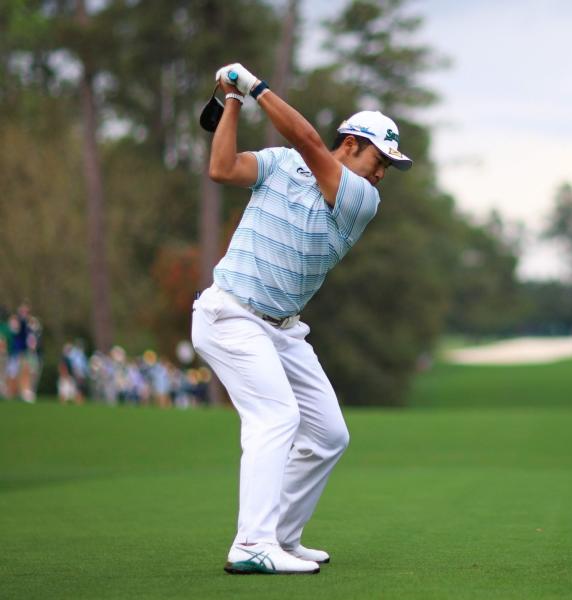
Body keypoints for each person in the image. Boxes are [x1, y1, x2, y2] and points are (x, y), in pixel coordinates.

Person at [191, 62, 412, 576]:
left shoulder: (360, 199)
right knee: (276, 419)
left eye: (389, 167)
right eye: (381, 159)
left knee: (329, 435)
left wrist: (252, 85)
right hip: (230, 315)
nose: (383, 173)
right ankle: (252, 544)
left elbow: (310, 141)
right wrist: (232, 102)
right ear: (353, 143)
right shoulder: (277, 163)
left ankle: (281, 537)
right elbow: (222, 168)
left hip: (282, 328)